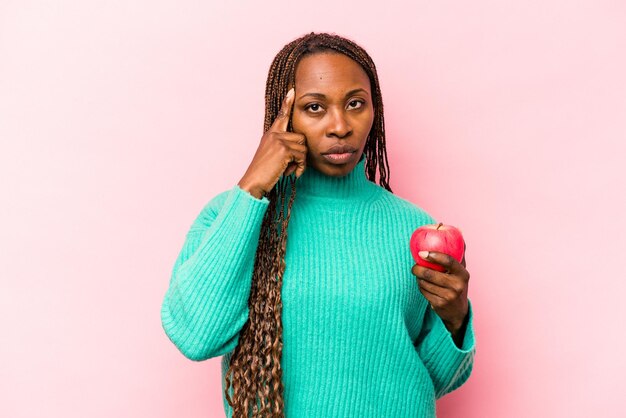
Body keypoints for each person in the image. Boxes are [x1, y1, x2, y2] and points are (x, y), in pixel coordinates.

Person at [161, 32, 476, 418]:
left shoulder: (413, 228)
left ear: (374, 111)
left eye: (355, 104)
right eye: (314, 108)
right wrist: (253, 186)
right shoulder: (231, 216)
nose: (340, 126)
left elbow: (433, 379)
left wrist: (455, 318)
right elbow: (197, 337)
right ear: (284, 115)